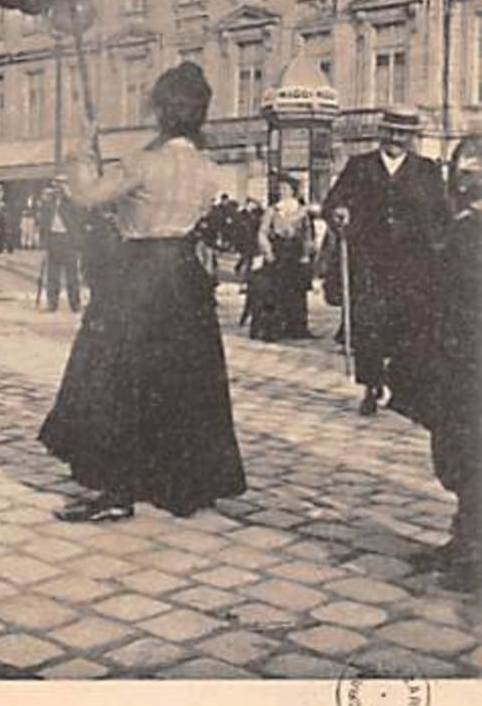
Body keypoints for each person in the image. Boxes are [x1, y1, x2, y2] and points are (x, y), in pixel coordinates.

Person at [38, 61, 246, 522]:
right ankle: (182, 485)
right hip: (185, 277)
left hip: (138, 273)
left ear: (161, 111)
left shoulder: (144, 162)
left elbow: (86, 196)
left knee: (115, 376)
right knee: (181, 379)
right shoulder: (207, 168)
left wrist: (83, 150)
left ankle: (116, 491)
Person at [390, 136, 482, 592]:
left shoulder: (465, 235)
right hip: (459, 359)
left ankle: (474, 554)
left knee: (469, 454)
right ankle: (464, 538)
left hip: (470, 359)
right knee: (459, 452)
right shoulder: (458, 232)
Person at [322, 111, 447, 415]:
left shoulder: (426, 170)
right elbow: (332, 202)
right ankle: (371, 385)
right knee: (369, 326)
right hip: (370, 262)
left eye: (403, 134)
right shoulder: (359, 166)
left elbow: (442, 214)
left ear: (412, 137)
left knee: (408, 326)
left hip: (413, 266)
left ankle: (403, 386)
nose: (396, 139)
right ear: (382, 133)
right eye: (391, 132)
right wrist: (339, 212)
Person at [250, 175, 314, 341]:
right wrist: (267, 251)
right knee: (275, 292)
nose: (282, 192)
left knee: (297, 292)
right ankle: (274, 329)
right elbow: (262, 233)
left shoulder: (302, 211)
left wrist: (306, 253)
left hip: (295, 252)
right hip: (278, 252)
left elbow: (307, 234)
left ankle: (297, 328)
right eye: (280, 189)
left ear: (293, 191)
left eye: (286, 189)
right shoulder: (272, 210)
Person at [39, 177, 83, 312]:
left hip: (68, 240)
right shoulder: (49, 203)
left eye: (61, 186)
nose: (58, 189)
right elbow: (44, 222)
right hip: (53, 239)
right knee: (52, 275)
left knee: (72, 275)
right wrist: (44, 242)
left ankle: (75, 304)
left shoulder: (72, 203)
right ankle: (52, 304)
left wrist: (70, 197)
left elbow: (80, 217)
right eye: (56, 186)